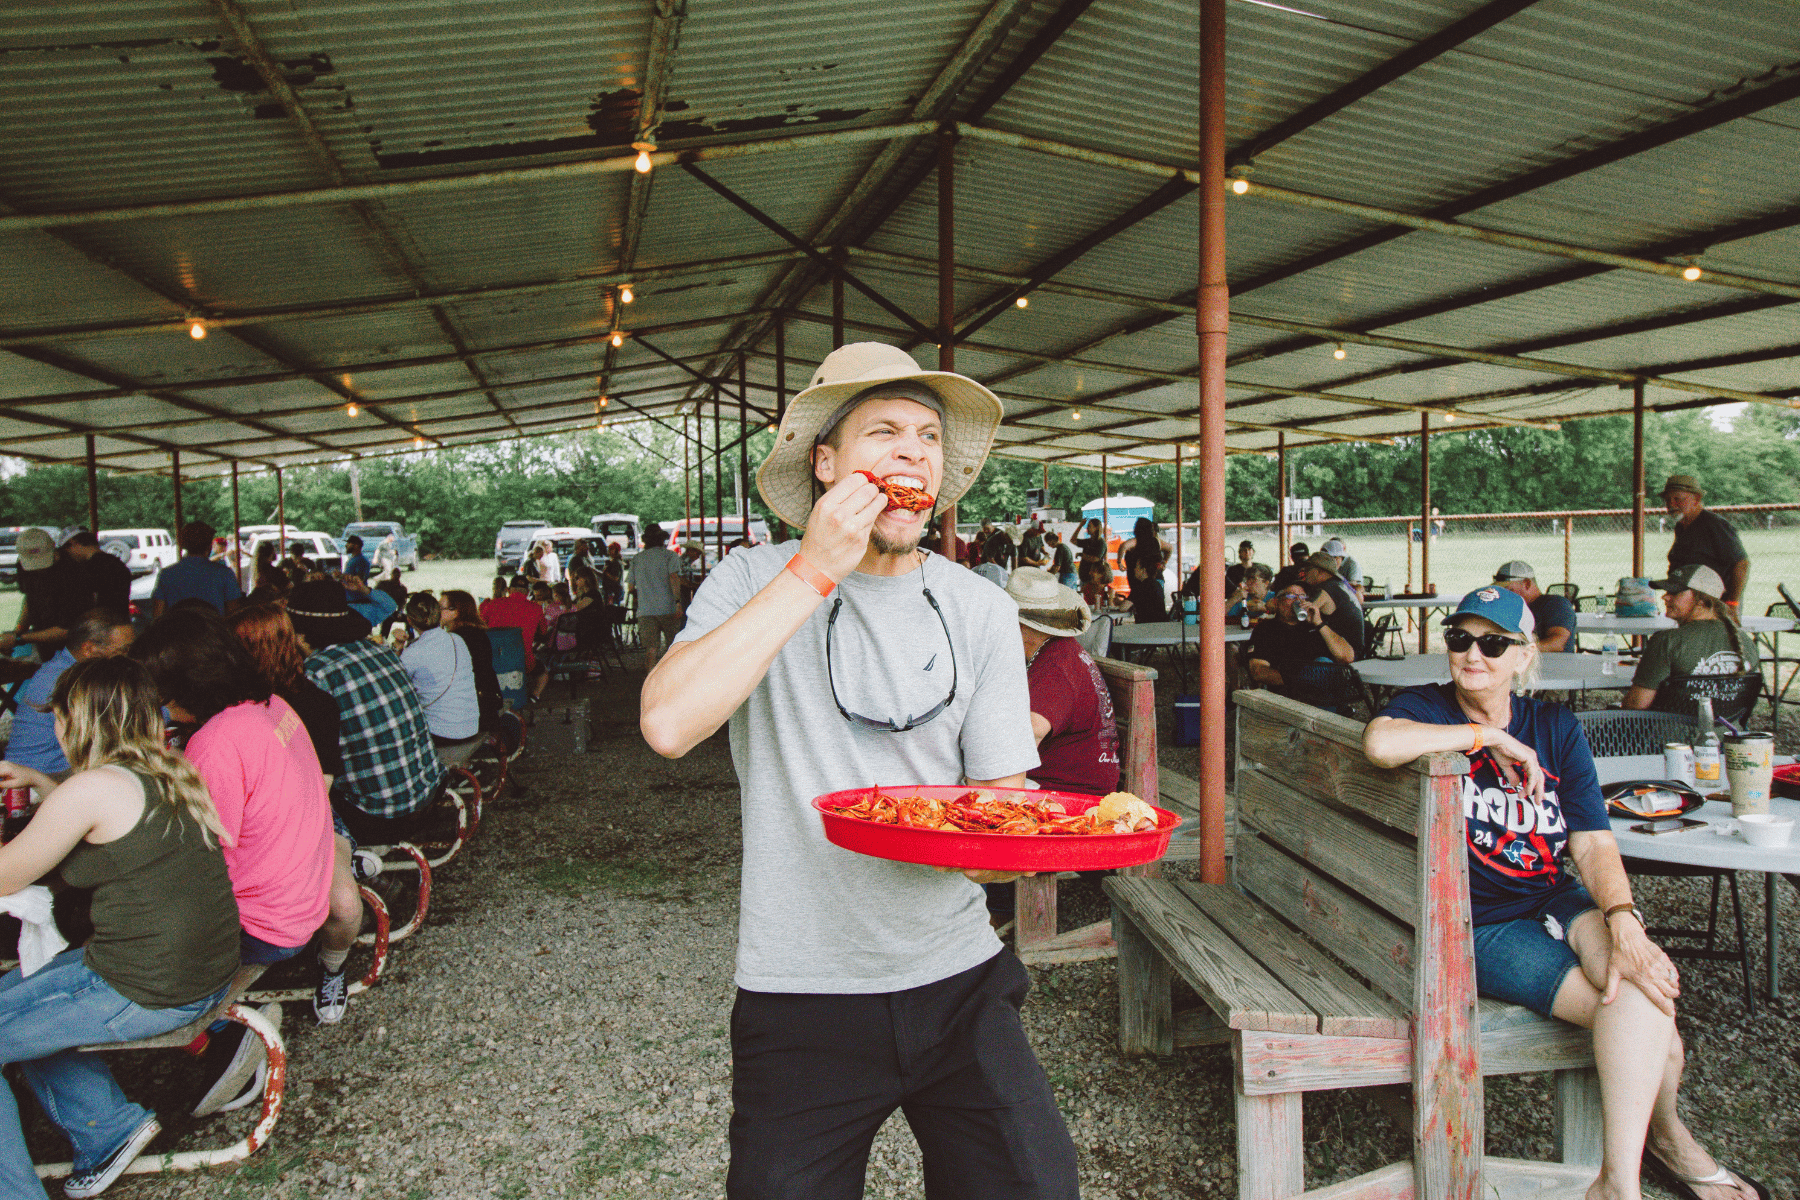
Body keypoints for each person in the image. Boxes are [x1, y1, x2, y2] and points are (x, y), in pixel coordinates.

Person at [640, 342, 1077, 1198]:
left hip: (959, 972)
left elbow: (999, 802)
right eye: (885, 431)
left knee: (1038, 1184)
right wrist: (814, 568)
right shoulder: (751, 580)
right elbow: (665, 724)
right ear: (827, 461)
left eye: (927, 435)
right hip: (800, 991)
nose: (914, 449)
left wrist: (1037, 837)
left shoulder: (982, 608)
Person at [1362, 587, 1766, 1200]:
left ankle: (1630, 1169)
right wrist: (1487, 739)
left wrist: (1625, 920)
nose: (1473, 654)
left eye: (1493, 643)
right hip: (1477, 922)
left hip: (1554, 900)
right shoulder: (1429, 709)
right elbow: (1381, 744)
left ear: (1524, 656)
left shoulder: (1554, 726)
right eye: (1460, 639)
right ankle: (1643, 1164)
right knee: (1649, 1017)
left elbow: (1594, 841)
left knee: (1645, 981)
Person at [0, 657, 240, 1199]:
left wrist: (47, 791)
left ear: (72, 722)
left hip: (149, 986)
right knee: (13, 998)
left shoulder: (91, 791)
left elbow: (7, 875)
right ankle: (108, 1127)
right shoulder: (163, 765)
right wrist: (42, 782)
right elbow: (95, 809)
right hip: (192, 968)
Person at [132, 607, 347, 1085]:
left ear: (184, 689)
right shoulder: (272, 705)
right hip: (304, 895)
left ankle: (212, 1039)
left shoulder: (216, 741)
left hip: (264, 924)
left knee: (110, 923)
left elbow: (196, 850)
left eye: (161, 695)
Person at [226, 602, 365, 1025]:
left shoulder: (314, 703)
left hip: (310, 814)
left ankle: (333, 966)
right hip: (251, 823)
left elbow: (317, 793)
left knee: (343, 906)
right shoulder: (225, 706)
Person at [987, 568, 1121, 927]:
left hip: (1071, 796)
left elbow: (1027, 734)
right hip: (1076, 782)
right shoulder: (1056, 652)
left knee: (987, 800)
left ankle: (995, 913)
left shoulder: (1054, 667)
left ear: (1017, 625)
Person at [288, 580, 442, 844]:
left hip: (379, 816)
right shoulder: (381, 651)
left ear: (299, 633)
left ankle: (353, 868)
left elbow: (313, 761)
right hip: (428, 793)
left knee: (303, 788)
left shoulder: (315, 672)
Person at [6, 610, 135, 779]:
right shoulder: (68, 680)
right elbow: (119, 730)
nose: (131, 659)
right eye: (124, 650)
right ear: (89, 649)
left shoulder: (66, 667)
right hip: (42, 776)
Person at [1624, 565, 1759, 712]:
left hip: (1671, 733)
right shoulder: (1746, 642)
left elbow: (1637, 704)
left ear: (1702, 600)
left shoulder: (1667, 641)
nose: (1665, 596)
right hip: (1729, 733)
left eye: (1675, 592)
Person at [1246, 581, 1357, 706]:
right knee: (1322, 664)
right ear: (1277, 602)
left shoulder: (1318, 624)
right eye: (1291, 596)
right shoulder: (1266, 629)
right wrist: (1300, 678)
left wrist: (1319, 623)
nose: (1298, 601)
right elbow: (1258, 671)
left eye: (1302, 597)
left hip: (1324, 689)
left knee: (1323, 663)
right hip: (1291, 692)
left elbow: (1347, 657)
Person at [398, 592, 480, 745]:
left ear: (409, 620)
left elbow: (397, 685)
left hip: (442, 732)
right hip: (470, 726)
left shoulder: (412, 653)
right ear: (438, 615)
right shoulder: (457, 639)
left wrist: (398, 648)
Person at [441, 590, 516, 750]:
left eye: (442, 608)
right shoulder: (475, 632)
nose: (438, 612)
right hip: (487, 700)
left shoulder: (457, 638)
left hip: (477, 707)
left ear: (457, 611)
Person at [1660, 475, 1749, 611]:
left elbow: (1742, 564)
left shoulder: (1714, 525)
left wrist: (1732, 604)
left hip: (1714, 606)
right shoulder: (1682, 526)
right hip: (1688, 604)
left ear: (1696, 499)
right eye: (1668, 500)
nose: (1671, 505)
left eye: (1678, 499)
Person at [152, 521, 244, 619]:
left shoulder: (167, 575)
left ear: (183, 545)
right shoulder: (224, 574)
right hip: (214, 631)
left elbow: (157, 615)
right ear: (209, 546)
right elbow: (234, 613)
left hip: (177, 631)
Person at [629, 524, 684, 672]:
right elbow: (674, 578)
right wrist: (678, 602)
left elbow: (630, 588)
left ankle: (649, 682)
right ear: (662, 540)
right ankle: (673, 678)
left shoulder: (637, 559)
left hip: (645, 610)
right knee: (672, 647)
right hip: (668, 607)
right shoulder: (670, 556)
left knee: (651, 649)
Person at [481, 575, 547, 695]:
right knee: (543, 673)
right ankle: (534, 695)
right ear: (527, 592)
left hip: (494, 660)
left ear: (509, 590)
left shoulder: (492, 604)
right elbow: (543, 632)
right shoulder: (536, 608)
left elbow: (481, 626)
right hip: (523, 661)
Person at [1492, 560, 1576, 654]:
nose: (1502, 594)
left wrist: (1515, 650)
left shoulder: (1555, 604)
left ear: (1527, 584)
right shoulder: (1513, 609)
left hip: (1557, 665)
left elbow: (1557, 644)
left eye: (1508, 589)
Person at [1301, 550, 1364, 658]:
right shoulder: (1340, 585)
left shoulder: (1325, 590)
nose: (1304, 573)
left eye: (1307, 569)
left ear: (1318, 572)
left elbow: (1302, 613)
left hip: (1342, 656)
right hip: (1356, 651)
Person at [59, 532, 134, 620]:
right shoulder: (118, 564)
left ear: (74, 543)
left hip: (99, 624)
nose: (69, 554)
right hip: (120, 622)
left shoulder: (88, 569)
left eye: (67, 550)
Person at [1120, 516, 1169, 624]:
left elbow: (1123, 608)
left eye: (1136, 567)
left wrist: (1119, 562)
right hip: (1161, 628)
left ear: (1143, 570)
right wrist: (1164, 561)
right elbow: (1169, 548)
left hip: (1149, 632)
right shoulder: (1156, 541)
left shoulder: (1140, 587)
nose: (1133, 570)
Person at [1076, 517, 1112, 609]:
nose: (1087, 528)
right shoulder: (1088, 541)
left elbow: (1096, 559)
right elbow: (1073, 540)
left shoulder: (1101, 543)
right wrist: (1080, 525)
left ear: (1096, 528)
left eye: (1089, 526)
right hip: (1084, 576)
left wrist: (1082, 555)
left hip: (1094, 578)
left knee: (1094, 602)